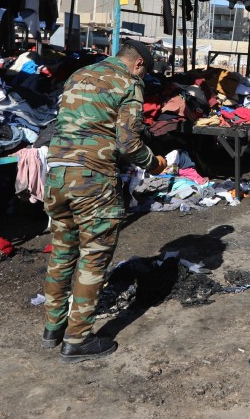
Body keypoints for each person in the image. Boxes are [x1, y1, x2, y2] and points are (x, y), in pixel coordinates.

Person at [42, 40, 167, 362]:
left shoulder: (80, 73)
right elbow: (128, 142)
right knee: (93, 256)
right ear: (139, 63)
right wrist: (156, 163)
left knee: (62, 251)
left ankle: (52, 327)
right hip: (92, 178)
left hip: (55, 174)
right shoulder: (128, 82)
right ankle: (77, 339)